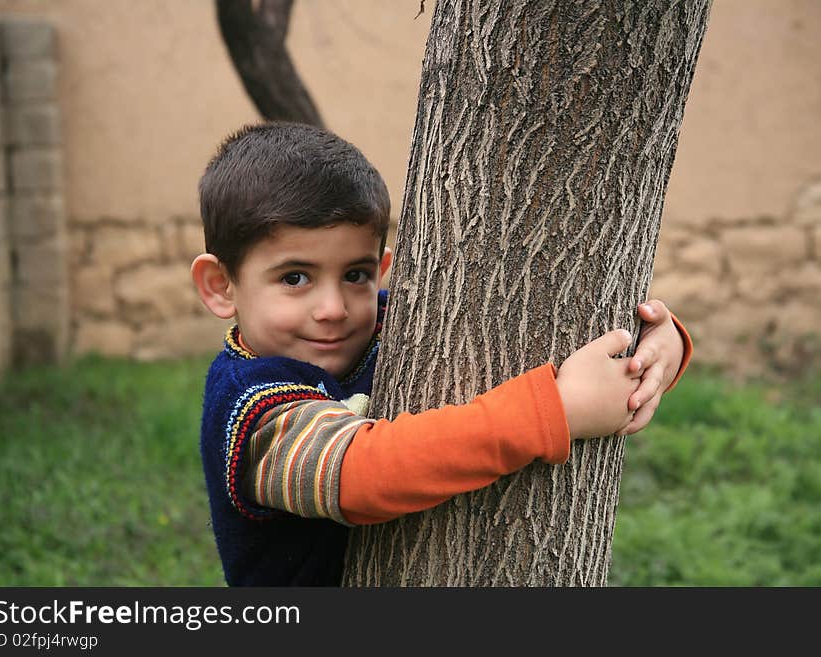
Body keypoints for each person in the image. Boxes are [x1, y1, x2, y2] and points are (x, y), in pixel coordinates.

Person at [191, 121, 693, 586]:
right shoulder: (250, 407)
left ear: (382, 268)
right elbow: (361, 475)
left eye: (356, 275)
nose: (333, 308)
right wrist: (554, 412)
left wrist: (657, 348)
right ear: (221, 286)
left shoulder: (385, 322)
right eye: (294, 278)